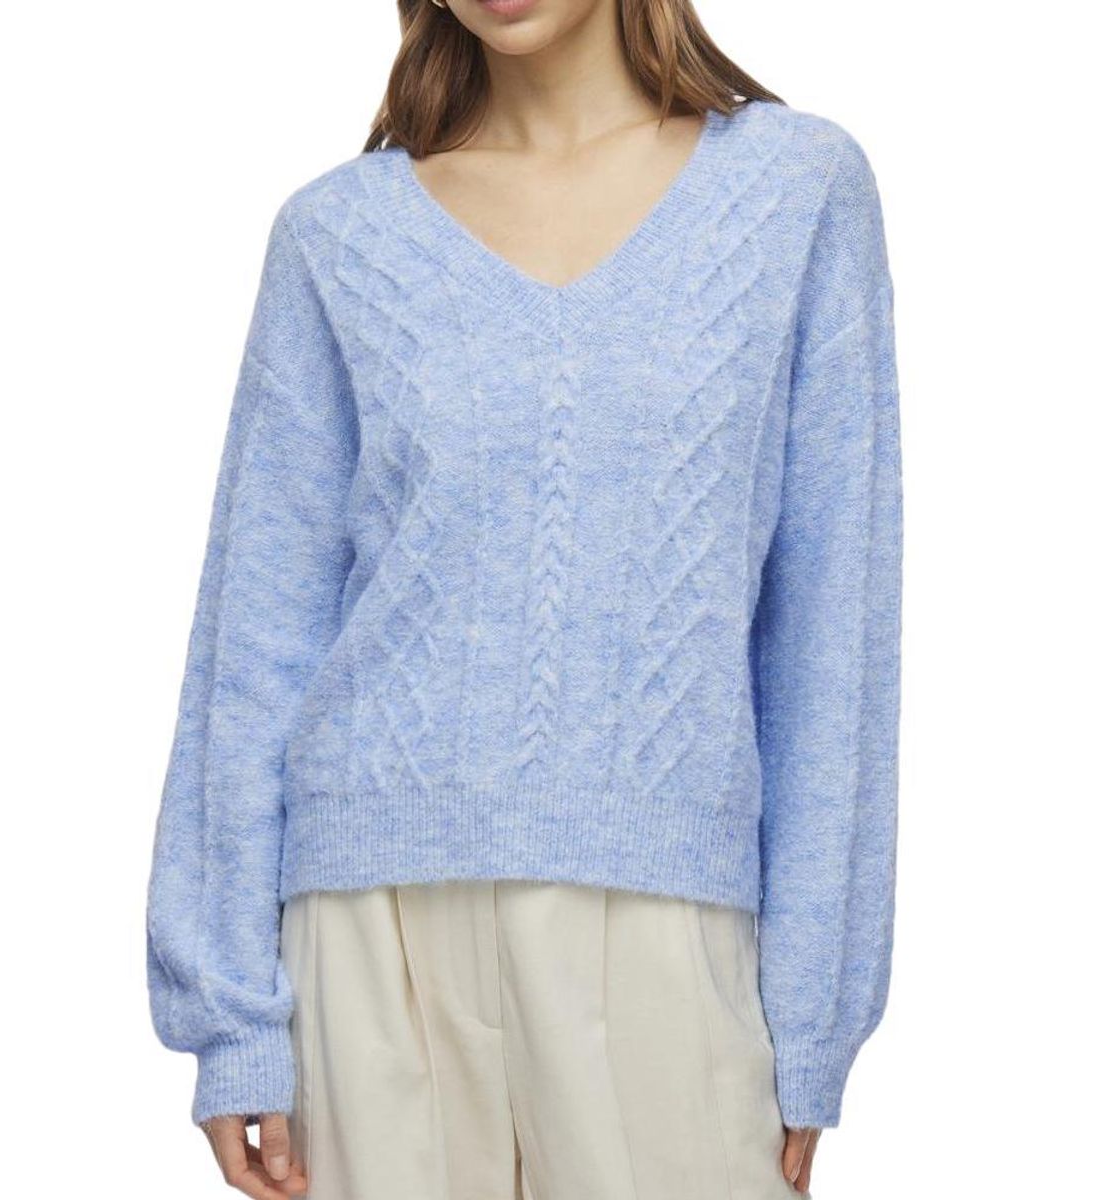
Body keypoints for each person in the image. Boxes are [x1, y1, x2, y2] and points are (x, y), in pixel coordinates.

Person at [144, 1, 903, 1196]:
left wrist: (813, 1018)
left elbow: (830, 636)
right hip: (368, 935)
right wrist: (231, 1011)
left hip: (667, 922)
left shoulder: (796, 190)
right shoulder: (336, 235)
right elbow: (255, 639)